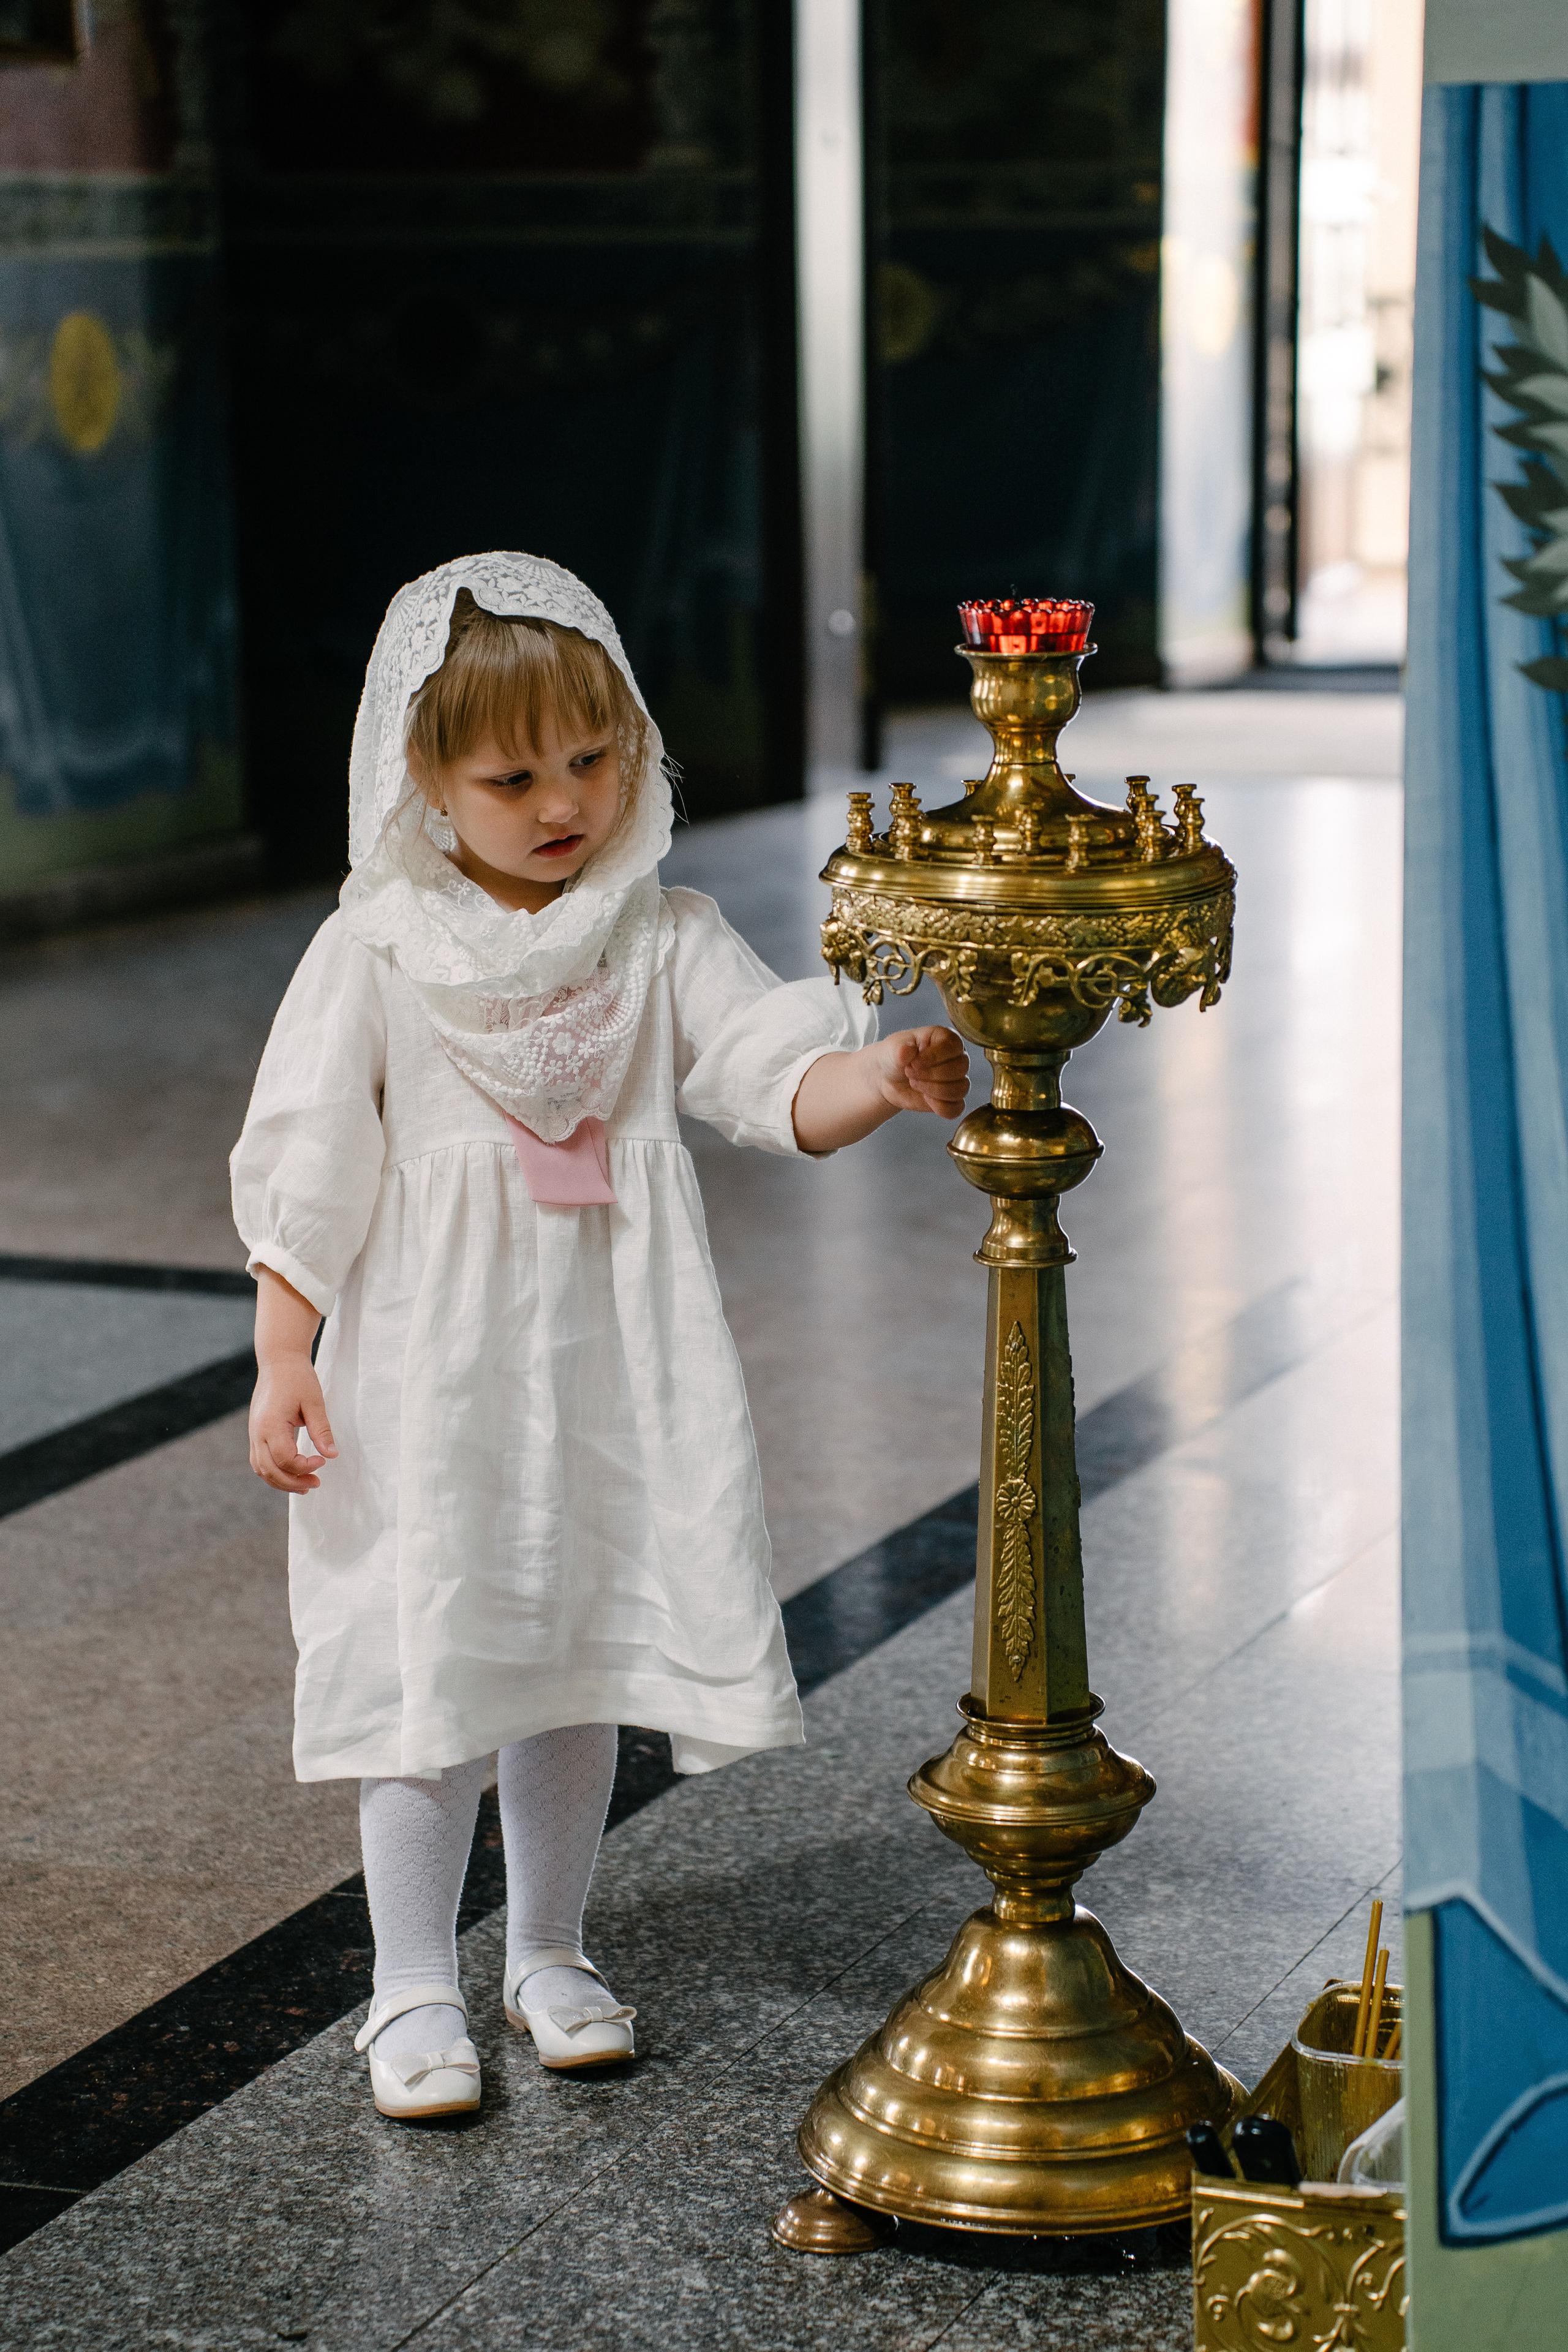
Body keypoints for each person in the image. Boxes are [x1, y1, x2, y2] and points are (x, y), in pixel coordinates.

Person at [231, 552, 968, 2121]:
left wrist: (880, 1077)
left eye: (592, 754)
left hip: (601, 1365)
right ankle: (411, 1984)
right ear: (422, 782)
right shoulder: (375, 953)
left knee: (569, 1658)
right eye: (510, 775)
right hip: (429, 1377)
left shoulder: (660, 933)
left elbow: (772, 1080)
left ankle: (549, 1950)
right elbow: (310, 1167)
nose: (562, 797)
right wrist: (285, 1350)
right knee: (436, 1658)